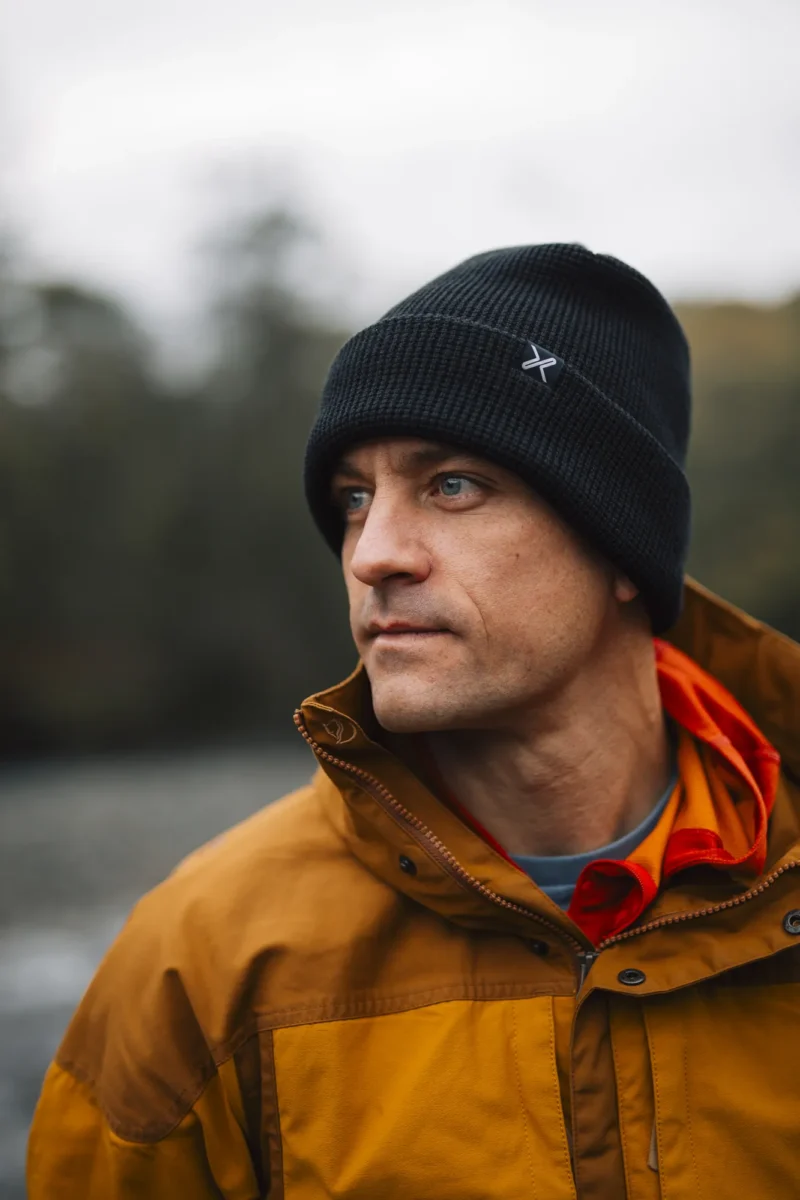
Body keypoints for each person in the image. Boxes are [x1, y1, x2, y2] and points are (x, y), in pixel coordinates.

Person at [27, 244, 800, 1198]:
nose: (372, 554)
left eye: (452, 486)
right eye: (356, 498)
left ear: (624, 545)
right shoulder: (199, 961)